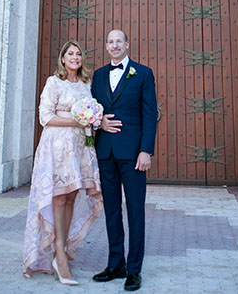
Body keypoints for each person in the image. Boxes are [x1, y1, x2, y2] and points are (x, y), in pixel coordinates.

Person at [23, 40, 103, 285]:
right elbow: (45, 117)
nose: (75, 57)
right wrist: (77, 121)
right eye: (70, 53)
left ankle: (64, 245)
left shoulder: (87, 84)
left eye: (78, 54)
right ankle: (59, 255)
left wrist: (92, 119)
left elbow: (91, 114)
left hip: (79, 147)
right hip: (56, 147)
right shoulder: (53, 82)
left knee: (71, 196)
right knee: (58, 198)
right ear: (63, 58)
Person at [91, 29, 157, 292]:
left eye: (119, 41)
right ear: (106, 47)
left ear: (127, 45)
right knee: (111, 211)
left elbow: (150, 114)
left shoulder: (142, 73)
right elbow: (92, 110)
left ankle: (135, 270)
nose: (115, 45)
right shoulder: (97, 76)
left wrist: (146, 151)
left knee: (136, 211)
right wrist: (100, 122)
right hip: (105, 152)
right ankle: (115, 264)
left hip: (133, 155)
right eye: (110, 41)